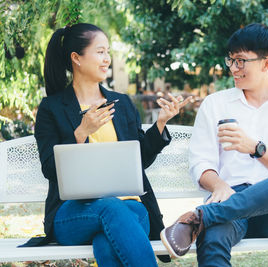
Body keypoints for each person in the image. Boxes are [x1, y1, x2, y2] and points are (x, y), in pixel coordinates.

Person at [160, 23, 268, 266]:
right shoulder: (215, 104)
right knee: (213, 236)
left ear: (266, 64)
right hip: (230, 199)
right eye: (231, 61)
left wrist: (255, 148)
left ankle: (202, 216)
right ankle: (207, 218)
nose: (233, 69)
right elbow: (200, 163)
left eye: (240, 61)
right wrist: (218, 185)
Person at [32, 23, 190, 266]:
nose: (107, 59)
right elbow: (49, 169)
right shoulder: (51, 109)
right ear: (76, 58)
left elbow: (140, 162)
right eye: (100, 52)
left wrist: (160, 123)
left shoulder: (122, 103)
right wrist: (81, 132)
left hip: (131, 207)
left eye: (108, 52)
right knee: (110, 208)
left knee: (106, 242)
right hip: (73, 214)